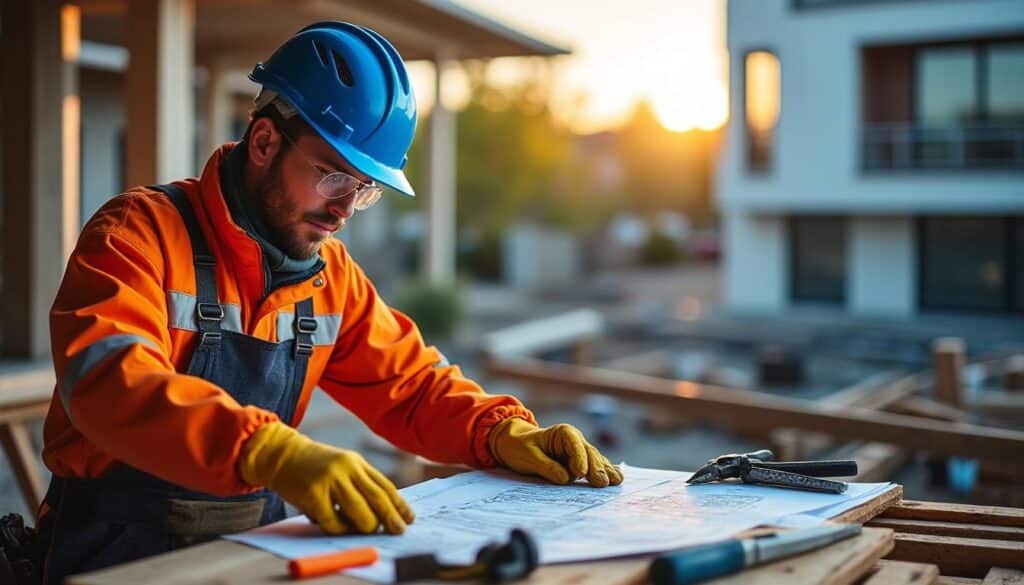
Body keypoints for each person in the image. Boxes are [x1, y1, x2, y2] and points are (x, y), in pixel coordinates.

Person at [34, 20, 622, 584]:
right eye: (333, 175)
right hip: (112, 554)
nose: (345, 208)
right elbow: (108, 382)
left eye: (364, 189)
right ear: (264, 140)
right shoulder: (138, 234)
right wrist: (264, 449)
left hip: (251, 549)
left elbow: (412, 387)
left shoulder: (328, 275)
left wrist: (498, 433)